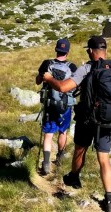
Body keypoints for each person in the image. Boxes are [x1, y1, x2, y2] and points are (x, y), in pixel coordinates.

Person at [42, 35, 111, 212]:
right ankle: (110, 200)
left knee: (80, 149)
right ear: (105, 51)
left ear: (90, 51)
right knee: (104, 159)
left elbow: (62, 87)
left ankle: (74, 177)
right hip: (108, 120)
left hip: (87, 118)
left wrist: (48, 78)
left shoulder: (86, 68)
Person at [35, 38, 77, 176]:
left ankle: (46, 162)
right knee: (63, 131)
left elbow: (38, 81)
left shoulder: (47, 64)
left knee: (48, 134)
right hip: (65, 105)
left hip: (49, 104)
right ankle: (59, 156)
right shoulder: (72, 67)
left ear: (56, 49)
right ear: (67, 52)